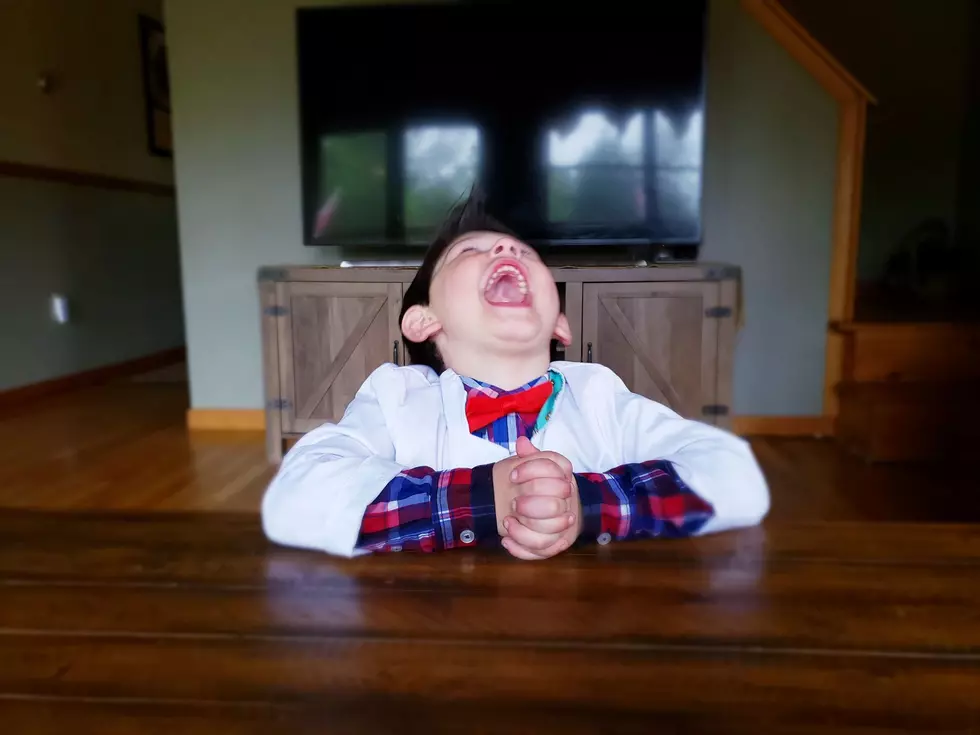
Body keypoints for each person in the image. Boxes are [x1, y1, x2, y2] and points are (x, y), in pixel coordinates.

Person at [262, 191, 769, 560]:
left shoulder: (598, 392)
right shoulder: (395, 395)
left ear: (560, 325)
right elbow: (295, 495)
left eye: (526, 253)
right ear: (424, 320)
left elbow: (738, 476)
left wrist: (588, 503)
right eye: (469, 252)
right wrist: (484, 498)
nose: (507, 251)